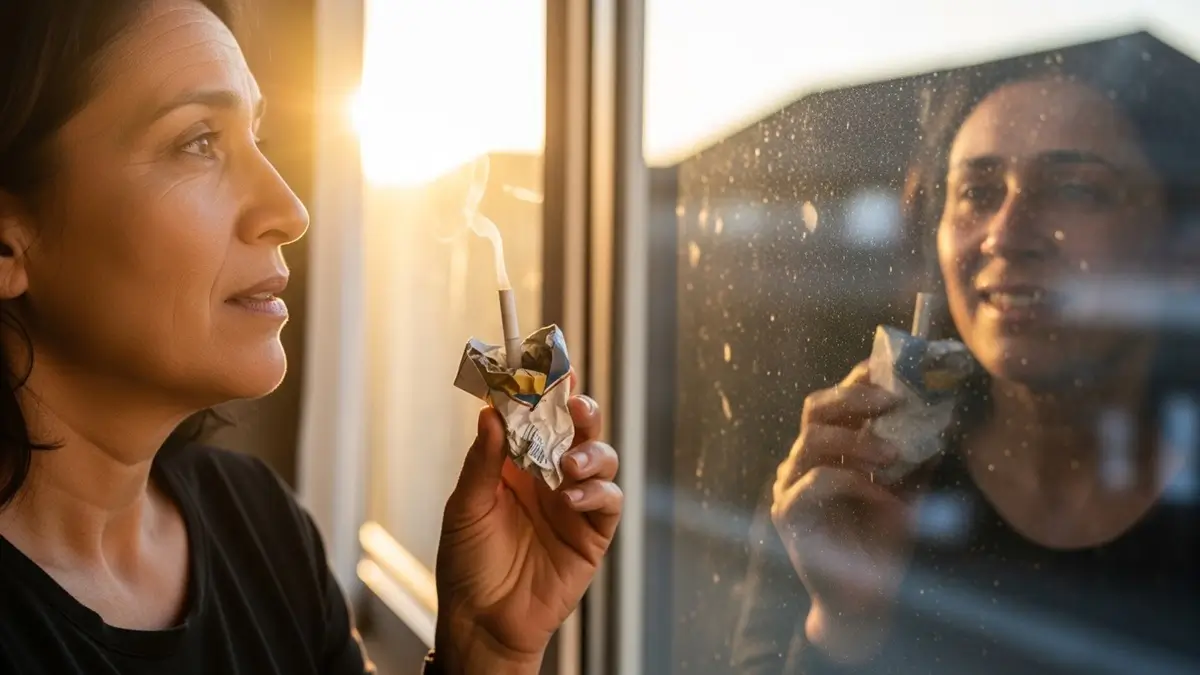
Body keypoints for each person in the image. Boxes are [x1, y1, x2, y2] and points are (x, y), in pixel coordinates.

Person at [0, 1, 622, 673]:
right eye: (198, 141)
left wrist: (485, 649)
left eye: (257, 139)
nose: (291, 211)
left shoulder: (261, 527)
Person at [732, 36, 1200, 674]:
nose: (1006, 233)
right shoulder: (846, 488)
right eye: (978, 192)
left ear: (1178, 240)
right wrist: (844, 623)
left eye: (1076, 190)